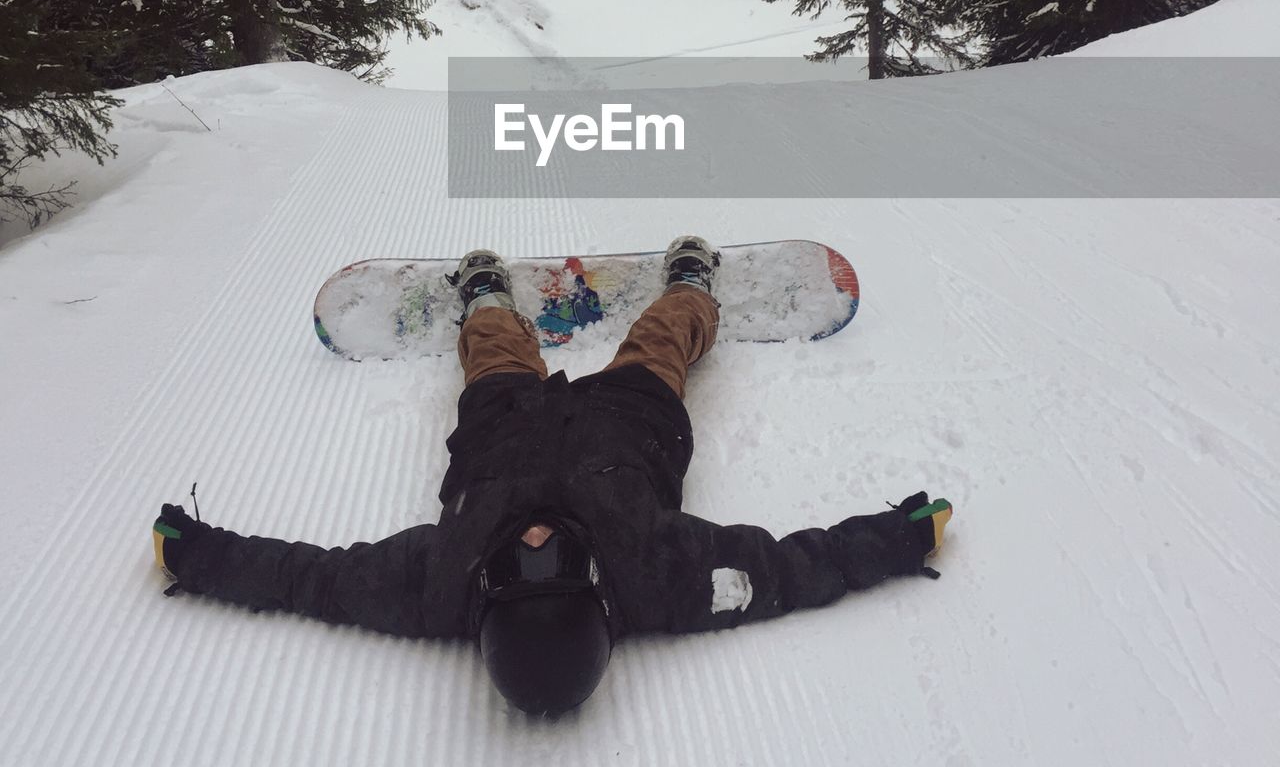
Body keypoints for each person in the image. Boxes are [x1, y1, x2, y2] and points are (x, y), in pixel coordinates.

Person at [152, 236, 953, 717]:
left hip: (500, 431)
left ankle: (487, 298)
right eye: (557, 565)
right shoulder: (665, 579)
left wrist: (199, 555)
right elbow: (789, 570)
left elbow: (311, 580)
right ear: (603, 589)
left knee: (496, 351)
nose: (536, 540)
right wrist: (898, 538)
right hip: (630, 428)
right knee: (663, 341)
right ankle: (690, 287)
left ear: (487, 590)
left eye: (520, 565)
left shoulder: (435, 586)